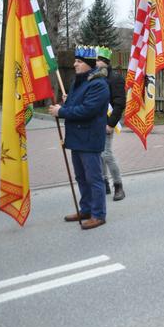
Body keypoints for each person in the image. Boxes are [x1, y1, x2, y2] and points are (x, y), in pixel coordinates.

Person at [48, 46, 110, 230]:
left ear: (89, 64)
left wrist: (62, 111)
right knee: (81, 177)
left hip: (89, 139)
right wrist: (66, 103)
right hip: (77, 138)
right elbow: (77, 104)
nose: (74, 64)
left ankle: (98, 214)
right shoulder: (79, 82)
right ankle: (86, 209)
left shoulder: (99, 84)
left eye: (79, 61)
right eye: (75, 61)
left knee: (94, 178)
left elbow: (87, 110)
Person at [95, 46, 127, 201]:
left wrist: (111, 124)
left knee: (106, 154)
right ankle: (104, 183)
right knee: (99, 155)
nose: (95, 63)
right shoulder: (94, 77)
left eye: (98, 60)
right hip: (95, 122)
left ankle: (118, 185)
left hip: (107, 121)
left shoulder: (116, 79)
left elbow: (120, 103)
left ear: (105, 62)